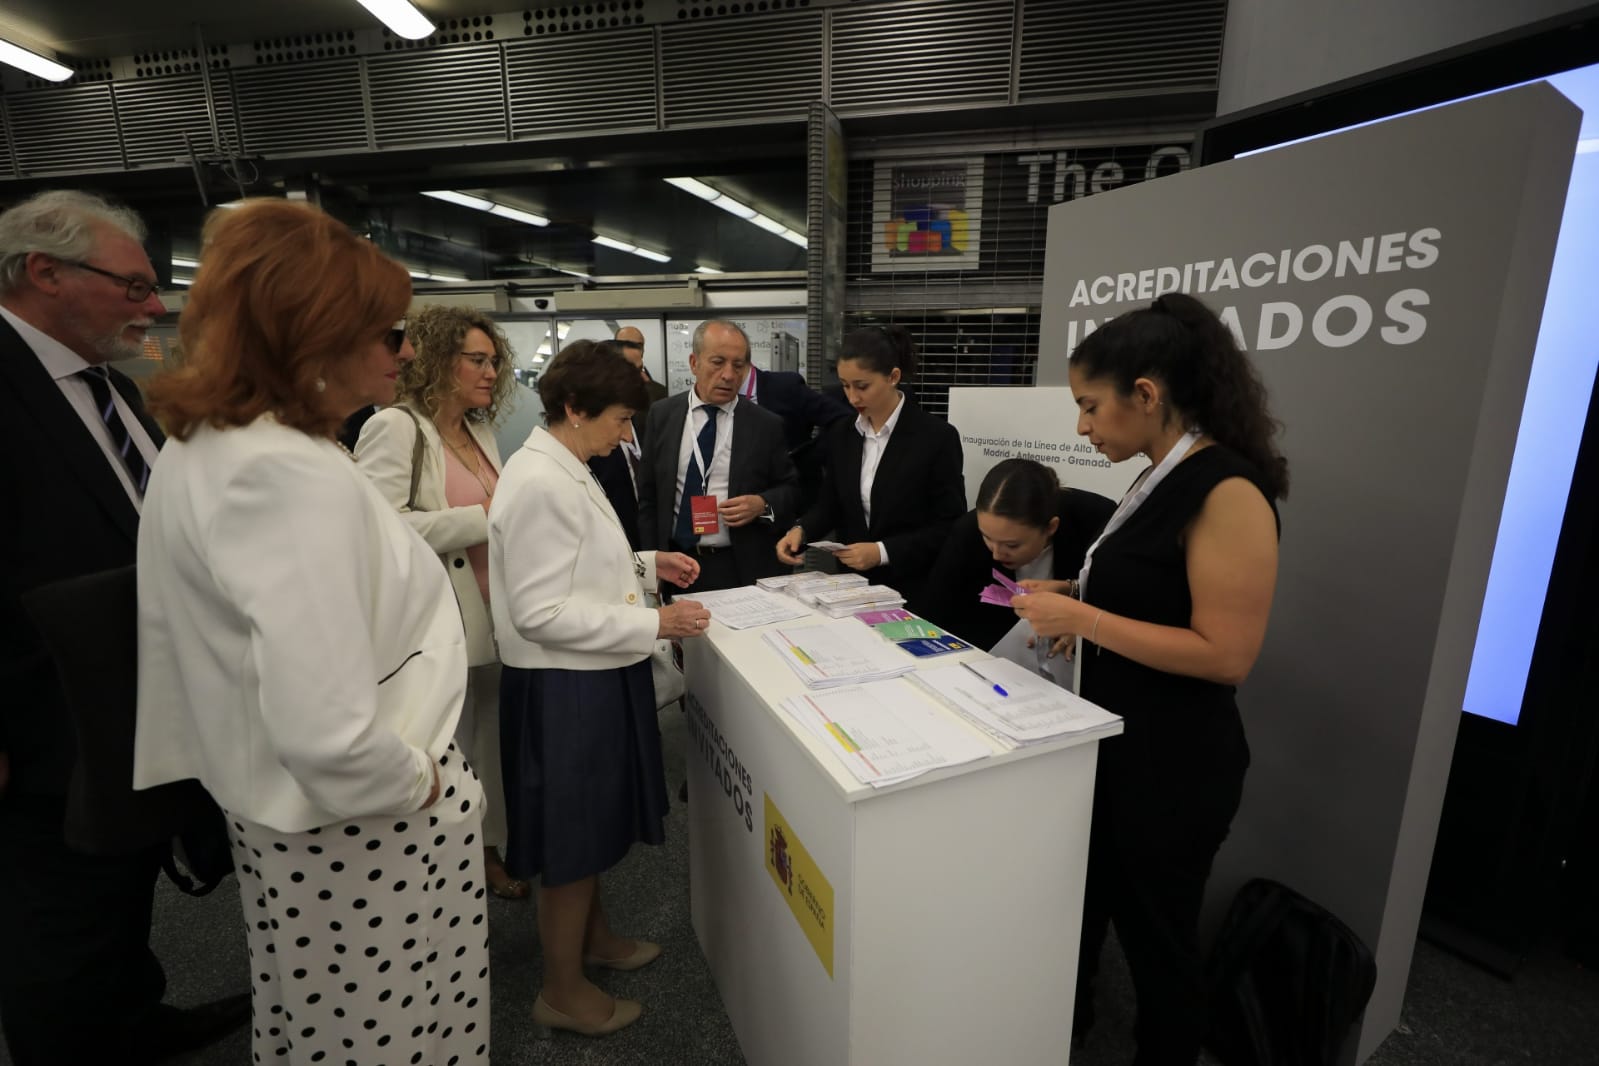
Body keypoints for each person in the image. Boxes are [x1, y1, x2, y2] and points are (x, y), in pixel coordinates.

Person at [133, 199, 490, 1066]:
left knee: (313, 1019)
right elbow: (326, 731)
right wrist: (413, 782)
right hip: (360, 826)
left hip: (290, 813)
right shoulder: (280, 472)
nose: (405, 353)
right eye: (385, 333)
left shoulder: (218, 444)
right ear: (310, 337)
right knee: (395, 1037)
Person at [0, 189, 249, 1065]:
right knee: (57, 927)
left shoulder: (109, 384)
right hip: (43, 726)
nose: (155, 306)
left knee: (122, 895)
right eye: (135, 286)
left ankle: (136, 1017)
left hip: (135, 714)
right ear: (44, 272)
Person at [1010, 292, 1287, 1065]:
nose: (1081, 427)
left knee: (1160, 948)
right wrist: (1076, 599)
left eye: (1089, 406)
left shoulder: (1225, 490)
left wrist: (1088, 623)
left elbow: (1225, 653)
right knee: (1087, 912)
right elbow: (1153, 590)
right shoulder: (1155, 474)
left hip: (1172, 767)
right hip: (1117, 749)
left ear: (1146, 394)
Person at [489, 339, 709, 1037]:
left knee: (588, 828)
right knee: (570, 842)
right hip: (563, 688)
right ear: (575, 409)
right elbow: (540, 611)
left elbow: (578, 567)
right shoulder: (539, 482)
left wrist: (646, 564)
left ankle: (595, 940)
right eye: (618, 420)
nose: (626, 434)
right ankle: (559, 989)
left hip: (585, 677)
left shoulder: (567, 464)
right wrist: (652, 622)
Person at [354, 303, 527, 899]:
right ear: (434, 360)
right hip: (439, 623)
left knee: (489, 743)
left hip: (493, 612)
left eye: (494, 360)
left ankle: (488, 849)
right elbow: (381, 530)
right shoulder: (396, 426)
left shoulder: (478, 430)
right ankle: (461, 861)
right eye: (476, 359)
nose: (490, 372)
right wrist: (482, 518)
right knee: (452, 745)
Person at [776, 325, 966, 605]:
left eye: (862, 386)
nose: (852, 397)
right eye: (844, 385)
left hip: (913, 587)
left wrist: (882, 551)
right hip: (851, 588)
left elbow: (949, 525)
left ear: (893, 376)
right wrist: (801, 530)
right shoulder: (843, 433)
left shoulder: (936, 437)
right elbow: (830, 504)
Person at [638, 319, 798, 592]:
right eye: (718, 362)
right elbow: (648, 497)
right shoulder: (662, 415)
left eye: (738, 366)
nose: (728, 374)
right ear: (694, 362)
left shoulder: (764, 424)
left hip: (739, 567)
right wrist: (652, 562)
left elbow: (792, 494)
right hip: (676, 563)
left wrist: (763, 505)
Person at [915, 458, 1115, 651]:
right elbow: (934, 615)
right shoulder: (967, 534)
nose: (997, 553)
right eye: (988, 538)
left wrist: (1085, 630)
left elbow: (1116, 598)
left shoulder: (1095, 522)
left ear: (1051, 527)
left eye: (1012, 545)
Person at [739, 360, 852, 515]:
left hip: (790, 506)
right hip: (736, 509)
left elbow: (843, 419)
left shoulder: (785, 387)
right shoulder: (711, 399)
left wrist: (809, 454)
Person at [589, 338, 646, 549]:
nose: (643, 378)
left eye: (642, 369)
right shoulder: (588, 433)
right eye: (633, 371)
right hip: (609, 544)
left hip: (649, 544)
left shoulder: (649, 416)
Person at [615, 325, 668, 409]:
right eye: (626, 344)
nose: (633, 349)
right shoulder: (597, 385)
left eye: (638, 345)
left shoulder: (659, 392)